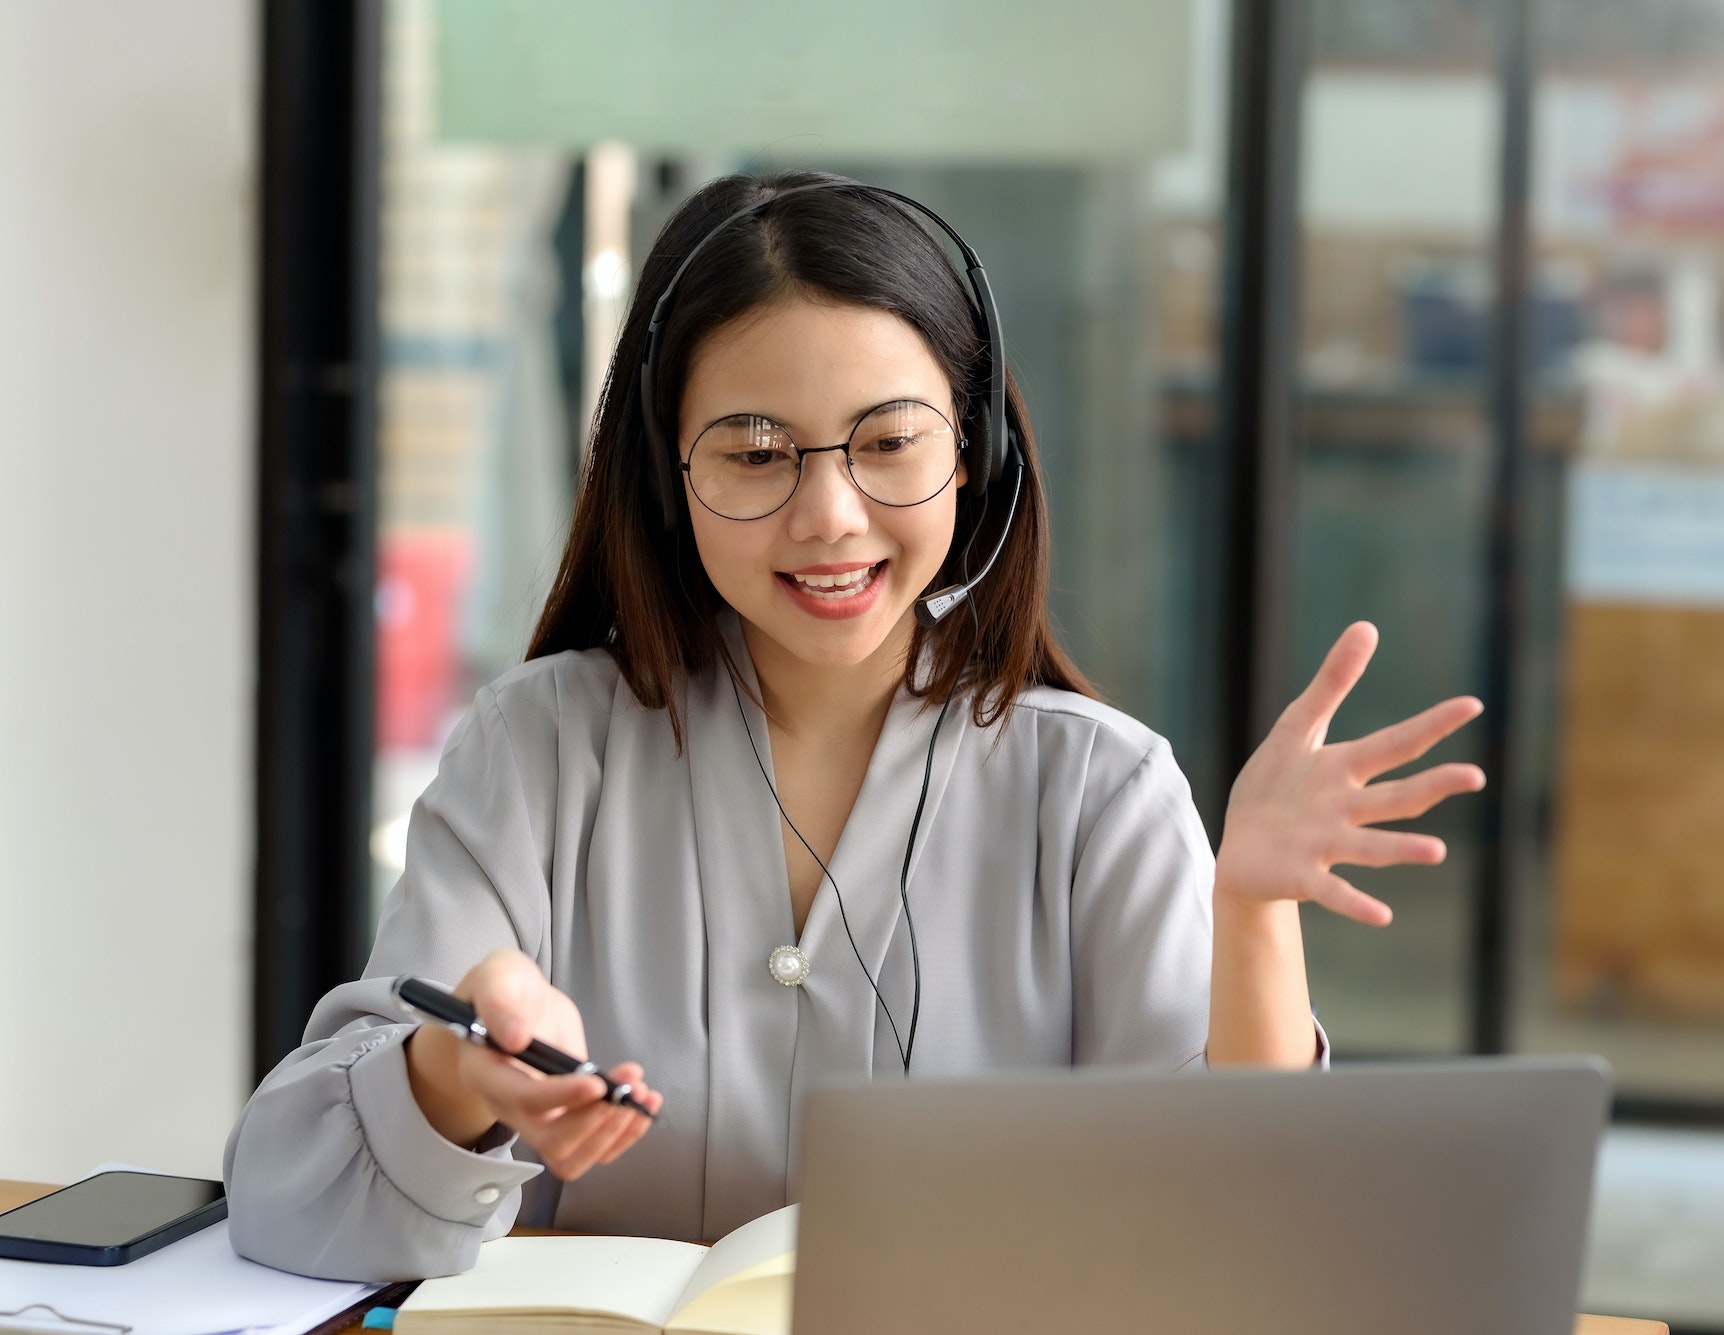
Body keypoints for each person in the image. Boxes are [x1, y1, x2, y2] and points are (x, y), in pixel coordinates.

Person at [223, 171, 1485, 1281]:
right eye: (755, 452)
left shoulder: (1099, 789)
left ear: (976, 453)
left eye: (888, 442)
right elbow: (287, 1201)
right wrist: (458, 1086)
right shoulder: (538, 748)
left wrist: (1252, 916)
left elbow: (1244, 1239)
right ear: (668, 480)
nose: (829, 515)